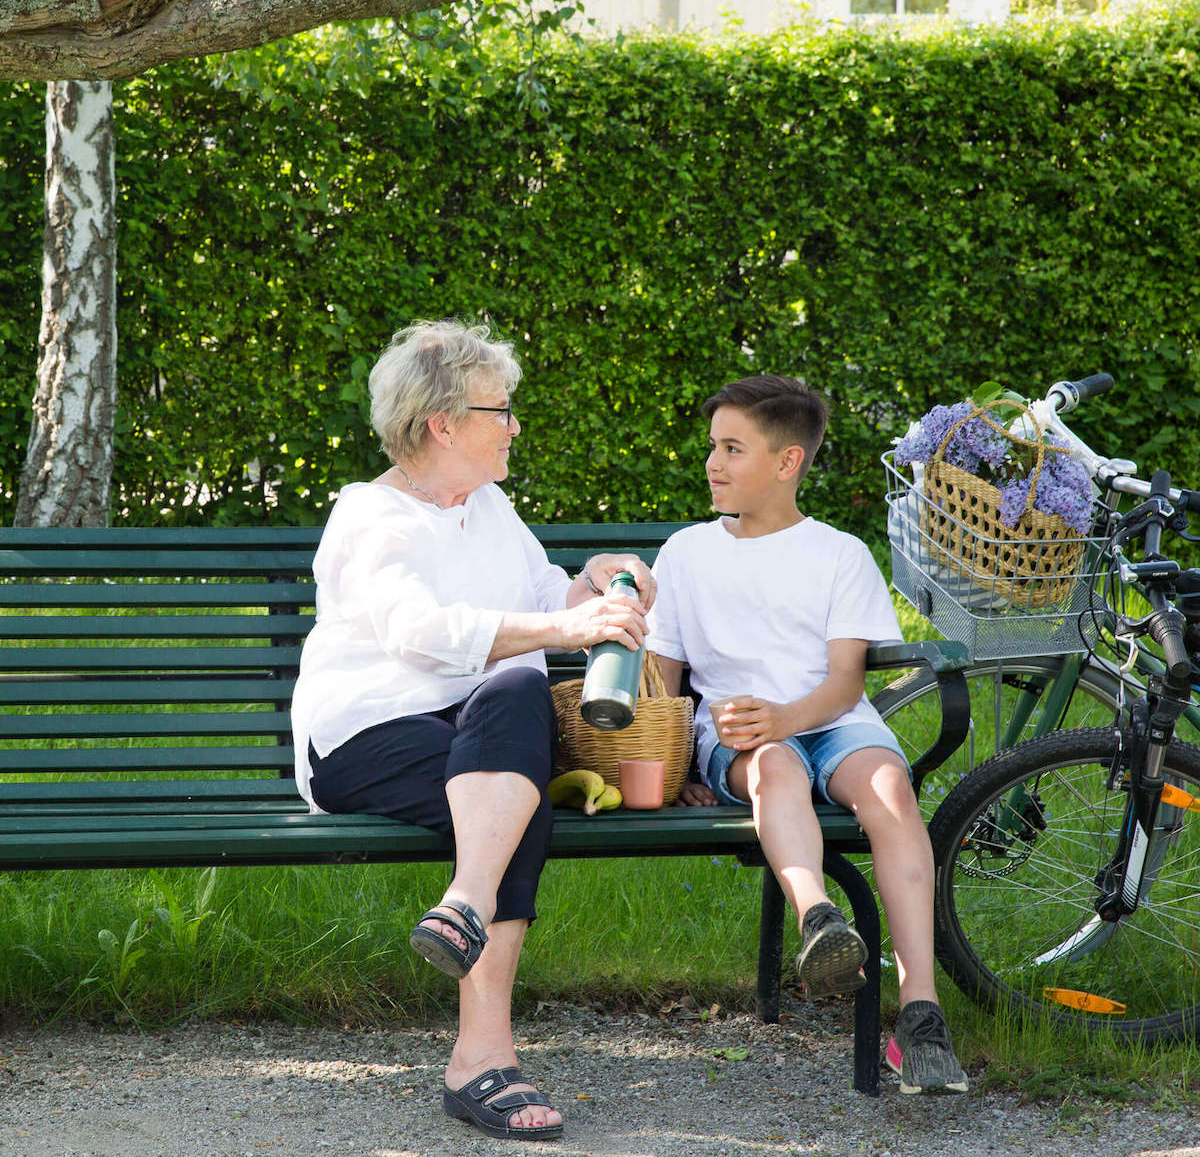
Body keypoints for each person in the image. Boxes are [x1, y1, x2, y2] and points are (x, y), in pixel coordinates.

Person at [290, 319, 654, 1141]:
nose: (515, 426)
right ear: (443, 425)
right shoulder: (369, 515)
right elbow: (416, 632)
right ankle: (482, 1059)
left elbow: (546, 596)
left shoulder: (488, 505)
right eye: (501, 410)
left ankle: (464, 905)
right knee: (514, 798)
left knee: (517, 706)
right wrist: (564, 628)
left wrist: (597, 585)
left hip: (478, 730)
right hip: (368, 735)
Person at [647, 375, 968, 1097]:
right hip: (741, 738)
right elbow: (663, 680)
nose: (713, 463)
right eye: (713, 447)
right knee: (775, 771)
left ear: (788, 461)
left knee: (890, 792)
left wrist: (788, 718)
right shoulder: (688, 553)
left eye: (733, 449)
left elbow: (846, 684)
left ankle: (921, 1018)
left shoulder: (838, 554)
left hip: (832, 721)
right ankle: (818, 917)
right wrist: (675, 772)